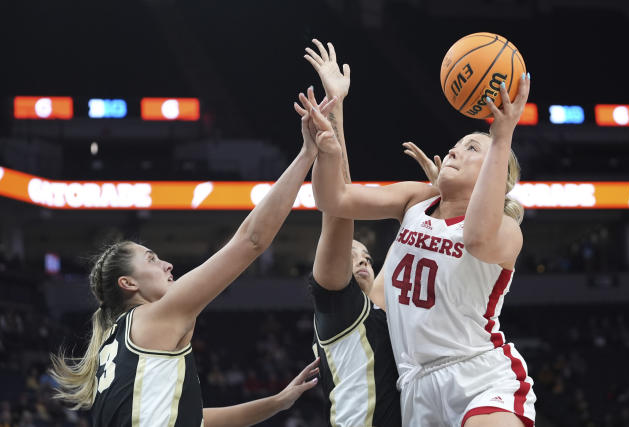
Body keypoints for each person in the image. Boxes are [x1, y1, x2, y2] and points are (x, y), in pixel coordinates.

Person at [49, 95, 338, 427]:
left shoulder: (114, 348)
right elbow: (252, 240)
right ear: (128, 283)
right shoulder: (157, 315)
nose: (167, 264)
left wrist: (277, 401)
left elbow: (195, 419)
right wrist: (306, 154)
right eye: (152, 258)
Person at [306, 74, 536, 426]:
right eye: (458, 143)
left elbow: (475, 237)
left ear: (495, 172)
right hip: (416, 386)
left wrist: (502, 135)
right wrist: (328, 147)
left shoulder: (506, 230)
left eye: (473, 148)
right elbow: (333, 199)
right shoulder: (416, 200)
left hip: (480, 375)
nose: (456, 149)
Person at [296, 39, 401, 427]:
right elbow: (340, 208)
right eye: (351, 254)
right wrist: (335, 105)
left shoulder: (374, 305)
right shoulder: (336, 304)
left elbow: (411, 242)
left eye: (366, 258)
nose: (360, 260)